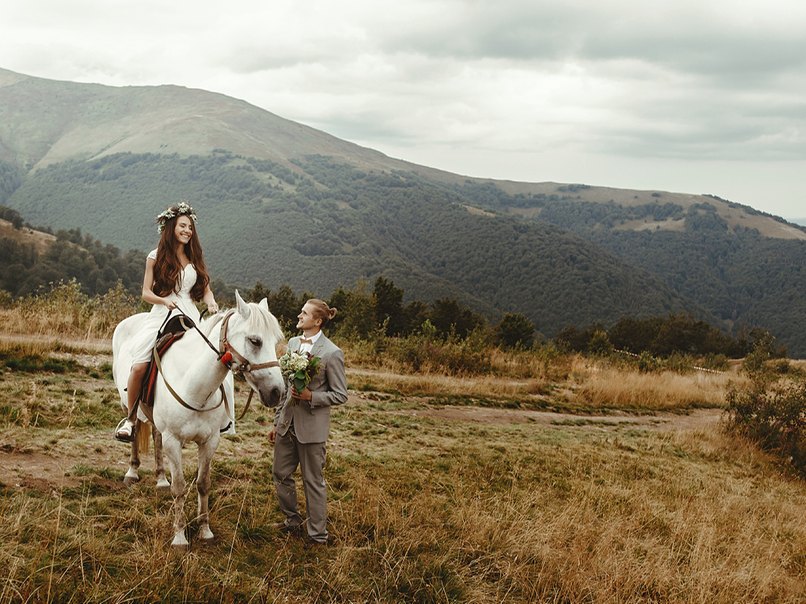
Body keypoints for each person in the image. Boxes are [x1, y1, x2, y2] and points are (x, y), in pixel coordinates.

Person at [114, 201, 218, 441]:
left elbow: (206, 290)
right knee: (140, 362)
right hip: (162, 313)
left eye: (190, 227)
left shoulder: (195, 258)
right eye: (183, 226)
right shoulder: (155, 256)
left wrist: (211, 302)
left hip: (189, 314)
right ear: (171, 227)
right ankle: (130, 419)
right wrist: (163, 302)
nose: (187, 231)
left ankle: (222, 417)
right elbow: (145, 293)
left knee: (215, 357)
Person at [269, 299, 348, 545]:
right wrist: (276, 422)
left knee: (312, 481)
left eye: (304, 313)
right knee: (280, 473)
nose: (299, 315)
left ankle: (317, 535)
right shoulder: (292, 343)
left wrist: (311, 396)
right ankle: (292, 521)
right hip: (287, 423)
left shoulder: (332, 353)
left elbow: (340, 394)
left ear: (318, 321)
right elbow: (286, 387)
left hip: (312, 428)